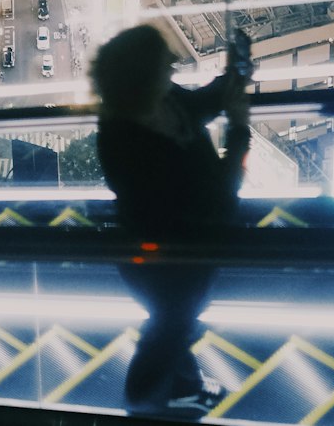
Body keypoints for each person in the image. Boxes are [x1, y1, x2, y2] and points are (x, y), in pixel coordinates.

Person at [91, 24, 250, 418]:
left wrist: (233, 78)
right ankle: (144, 402)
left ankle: (181, 389)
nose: (173, 67)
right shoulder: (125, 142)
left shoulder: (158, 103)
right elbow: (216, 197)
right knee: (173, 324)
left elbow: (198, 106)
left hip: (177, 252)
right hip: (170, 256)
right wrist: (240, 132)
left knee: (173, 323)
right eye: (165, 62)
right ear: (144, 76)